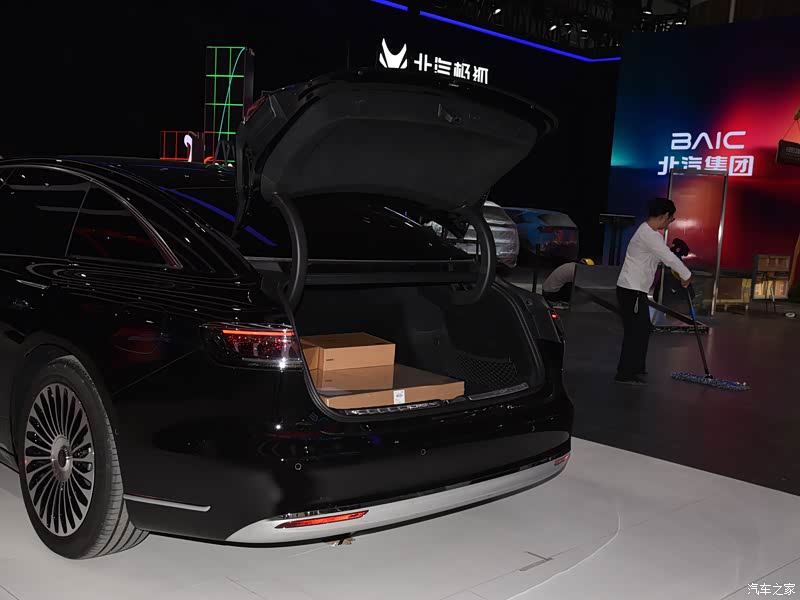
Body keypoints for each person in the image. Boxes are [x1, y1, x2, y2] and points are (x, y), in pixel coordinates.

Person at [615, 198, 692, 385]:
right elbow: (668, 258)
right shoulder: (649, 235)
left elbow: (663, 257)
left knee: (642, 329)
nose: (670, 222)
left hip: (633, 289)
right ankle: (625, 373)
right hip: (632, 289)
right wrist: (686, 275)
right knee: (636, 331)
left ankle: (636, 367)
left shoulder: (648, 233)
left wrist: (681, 274)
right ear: (664, 215)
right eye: (671, 218)